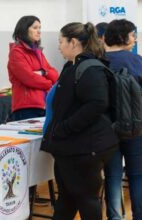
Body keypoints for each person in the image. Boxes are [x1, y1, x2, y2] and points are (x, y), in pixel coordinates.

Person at [40, 22, 119, 220]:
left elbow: (97, 104)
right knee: (67, 198)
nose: (58, 46)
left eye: (61, 42)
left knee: (86, 199)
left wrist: (65, 128)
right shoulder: (73, 66)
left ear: (73, 42)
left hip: (84, 148)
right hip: (72, 147)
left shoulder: (89, 68)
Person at [103, 19, 142, 220]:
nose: (135, 39)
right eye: (133, 35)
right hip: (136, 129)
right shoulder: (138, 62)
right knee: (137, 176)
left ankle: (114, 217)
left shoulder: (98, 61)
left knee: (112, 177)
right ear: (123, 36)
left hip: (106, 130)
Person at [7, 15, 58, 121]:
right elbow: (29, 78)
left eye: (40, 28)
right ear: (24, 30)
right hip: (26, 107)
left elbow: (55, 74)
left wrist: (43, 73)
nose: (39, 31)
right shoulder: (16, 52)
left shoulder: (38, 52)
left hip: (44, 105)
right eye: (35, 28)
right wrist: (49, 83)